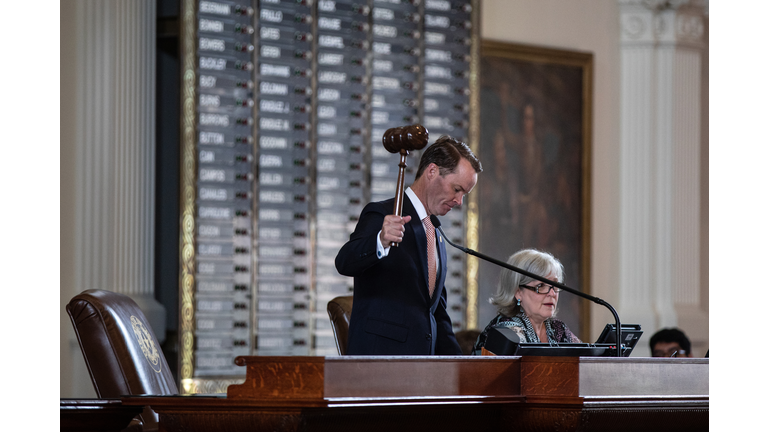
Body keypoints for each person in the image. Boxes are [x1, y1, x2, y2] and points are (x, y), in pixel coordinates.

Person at [335, 136, 482, 355]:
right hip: (381, 361)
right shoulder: (383, 214)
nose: (459, 201)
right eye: (456, 189)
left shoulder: (436, 233)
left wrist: (463, 366)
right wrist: (380, 240)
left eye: (464, 194)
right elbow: (344, 262)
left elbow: (437, 314)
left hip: (421, 366)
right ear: (432, 171)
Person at [472, 249, 580, 355]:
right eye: (540, 286)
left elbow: (585, 359)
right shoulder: (506, 331)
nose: (552, 293)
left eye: (555, 285)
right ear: (518, 292)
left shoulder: (558, 329)